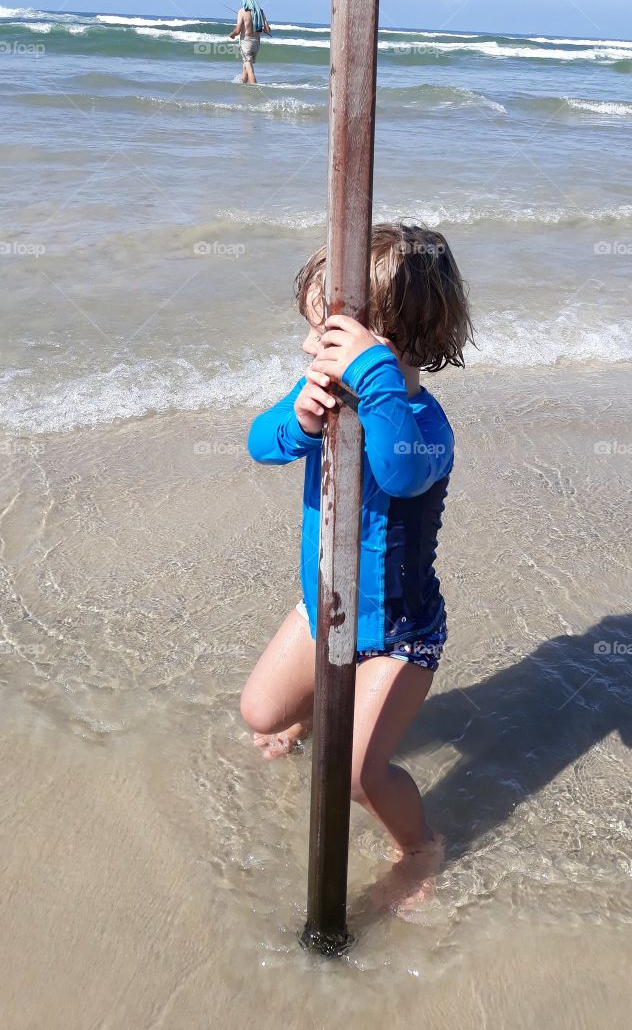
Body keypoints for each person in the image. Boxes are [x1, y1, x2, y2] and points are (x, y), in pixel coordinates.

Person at [242, 223, 473, 881]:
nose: (307, 345)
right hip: (325, 605)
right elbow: (261, 444)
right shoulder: (329, 395)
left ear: (380, 345)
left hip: (399, 632)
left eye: (324, 333)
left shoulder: (426, 425)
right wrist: (302, 419)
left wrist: (373, 379)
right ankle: (311, 713)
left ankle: (420, 846)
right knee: (259, 713)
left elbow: (400, 471)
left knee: (354, 776)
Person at [228, 0, 271, 84]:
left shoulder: (242, 11)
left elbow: (238, 29)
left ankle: (254, 88)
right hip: (256, 42)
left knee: (249, 67)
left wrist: (232, 35)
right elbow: (267, 30)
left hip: (246, 42)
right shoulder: (260, 12)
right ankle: (243, 84)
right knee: (246, 66)